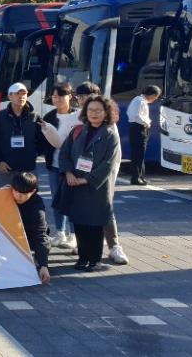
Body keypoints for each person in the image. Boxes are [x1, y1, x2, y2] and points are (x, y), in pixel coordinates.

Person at [59, 96, 122, 272]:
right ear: (85, 112)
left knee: (95, 224)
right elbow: (64, 154)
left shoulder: (110, 134)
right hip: (75, 184)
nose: (94, 114)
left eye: (98, 110)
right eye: (91, 110)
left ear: (106, 113)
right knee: (79, 222)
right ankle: (83, 258)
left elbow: (109, 163)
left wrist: (87, 179)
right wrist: (68, 172)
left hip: (97, 187)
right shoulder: (78, 131)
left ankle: (94, 260)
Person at [73, 81, 127, 265]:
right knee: (82, 209)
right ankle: (85, 245)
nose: (82, 100)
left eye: (86, 96)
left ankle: (114, 246)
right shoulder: (79, 117)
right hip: (80, 174)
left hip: (103, 175)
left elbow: (113, 155)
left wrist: (105, 175)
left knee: (105, 208)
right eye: (79, 97)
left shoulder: (107, 122)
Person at [39, 82, 81, 249]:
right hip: (54, 165)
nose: (57, 100)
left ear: (70, 96)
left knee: (72, 201)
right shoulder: (49, 116)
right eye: (54, 96)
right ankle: (60, 233)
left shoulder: (78, 116)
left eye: (60, 96)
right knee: (57, 200)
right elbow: (43, 140)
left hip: (73, 167)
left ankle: (74, 235)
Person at [0, 82, 45, 186]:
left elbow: (41, 140)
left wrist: (34, 155)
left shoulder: (35, 117)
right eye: (17, 93)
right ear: (10, 96)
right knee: (6, 196)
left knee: (30, 195)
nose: (21, 96)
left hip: (29, 169)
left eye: (24, 94)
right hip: (6, 169)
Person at [10, 172, 51, 285]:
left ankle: (37, 260)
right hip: (9, 232)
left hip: (29, 234)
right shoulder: (6, 193)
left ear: (33, 191)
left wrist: (44, 265)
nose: (18, 196)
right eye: (16, 191)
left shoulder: (37, 208)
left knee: (43, 242)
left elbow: (41, 235)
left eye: (23, 193)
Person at [127, 85, 161, 186]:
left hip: (139, 128)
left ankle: (141, 176)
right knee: (138, 154)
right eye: (156, 97)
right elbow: (135, 115)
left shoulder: (140, 100)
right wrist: (146, 123)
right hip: (138, 128)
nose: (155, 99)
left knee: (141, 154)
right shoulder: (139, 101)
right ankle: (135, 178)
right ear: (152, 95)